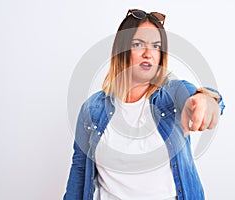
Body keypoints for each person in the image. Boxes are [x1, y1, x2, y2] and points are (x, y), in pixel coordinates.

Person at [63, 9, 225, 200]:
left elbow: (203, 96)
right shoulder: (92, 109)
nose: (149, 54)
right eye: (138, 44)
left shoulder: (172, 94)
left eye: (156, 46)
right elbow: (80, 169)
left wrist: (206, 100)